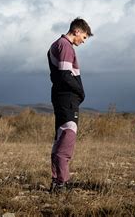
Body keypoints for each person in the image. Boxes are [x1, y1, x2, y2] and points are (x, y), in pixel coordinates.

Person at [47, 17, 93, 193]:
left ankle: (57, 181)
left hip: (62, 98)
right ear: (77, 31)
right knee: (67, 137)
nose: (83, 41)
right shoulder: (65, 46)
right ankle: (61, 183)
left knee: (60, 138)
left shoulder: (56, 45)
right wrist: (81, 92)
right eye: (84, 37)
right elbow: (66, 75)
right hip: (67, 100)